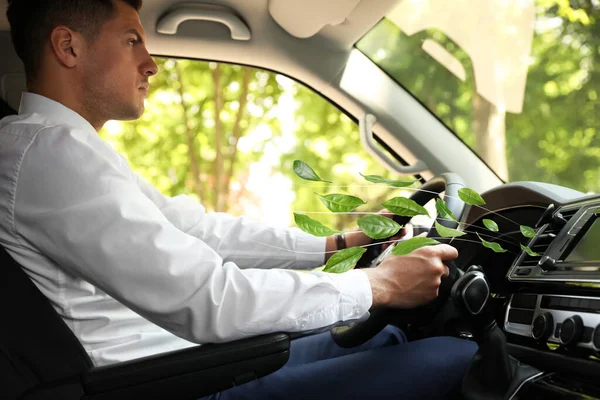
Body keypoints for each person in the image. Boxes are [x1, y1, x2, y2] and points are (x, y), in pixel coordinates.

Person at [0, 0, 477, 398]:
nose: (151, 62)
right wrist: (379, 285)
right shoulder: (47, 153)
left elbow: (195, 230)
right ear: (68, 46)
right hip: (165, 382)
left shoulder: (66, 148)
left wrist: (334, 245)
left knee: (393, 337)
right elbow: (208, 299)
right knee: (458, 358)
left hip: (187, 362)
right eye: (131, 40)